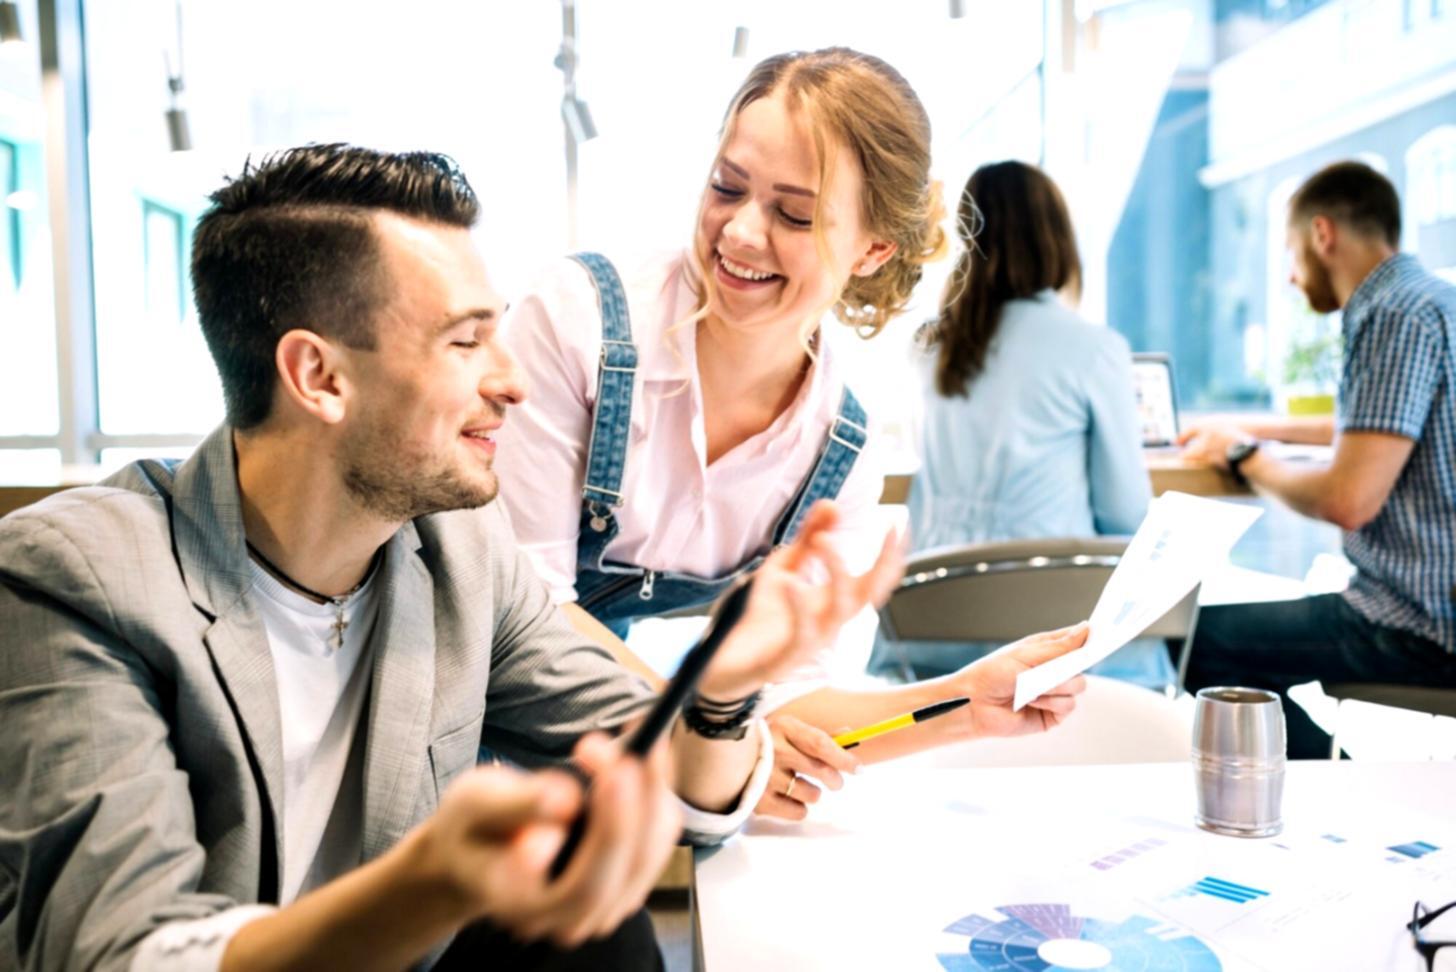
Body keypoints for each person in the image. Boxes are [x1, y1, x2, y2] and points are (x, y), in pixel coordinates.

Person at [0, 144, 904, 972]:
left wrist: (717, 692)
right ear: (319, 377)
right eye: (466, 341)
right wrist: (430, 885)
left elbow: (685, 792)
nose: (511, 380)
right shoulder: (77, 577)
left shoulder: (458, 557)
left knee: (598, 937)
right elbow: (118, 955)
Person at [495, 48, 1091, 821]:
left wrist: (961, 703)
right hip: (457, 728)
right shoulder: (576, 322)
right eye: (726, 188)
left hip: (605, 769)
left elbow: (792, 705)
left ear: (873, 247)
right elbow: (522, 611)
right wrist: (711, 732)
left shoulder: (838, 444)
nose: (741, 233)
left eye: (795, 214)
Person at [1178, 160, 1456, 758]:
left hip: (1422, 624)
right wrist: (1251, 425)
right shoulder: (1435, 300)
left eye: (1290, 252)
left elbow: (1348, 500)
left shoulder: (1389, 314)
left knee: (1193, 641)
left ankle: (1349, 793)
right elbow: (1374, 426)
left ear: (1322, 235)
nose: (1290, 276)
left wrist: (1243, 454)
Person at [871, 160, 1157, 684]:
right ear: (1058, 240)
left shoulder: (929, 345)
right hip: (1050, 639)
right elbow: (1125, 514)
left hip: (931, 626)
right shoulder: (1094, 350)